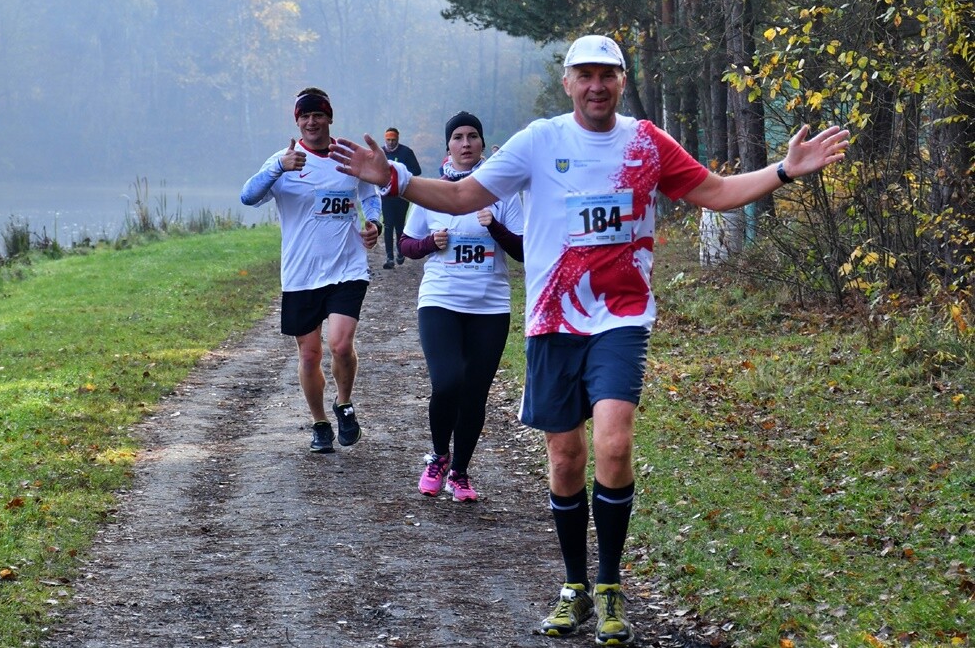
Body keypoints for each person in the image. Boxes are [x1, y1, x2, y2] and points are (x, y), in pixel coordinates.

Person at [332, 35, 850, 645]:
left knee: (613, 441)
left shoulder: (646, 142)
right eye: (585, 75)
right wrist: (393, 178)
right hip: (554, 321)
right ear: (568, 82)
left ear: (622, 82)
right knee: (565, 458)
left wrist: (785, 170)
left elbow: (714, 190)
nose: (597, 85)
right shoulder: (539, 141)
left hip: (620, 317)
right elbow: (462, 196)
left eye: (608, 74)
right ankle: (574, 586)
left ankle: (609, 586)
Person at [240, 87, 382, 455]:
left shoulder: (348, 156)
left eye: (318, 114)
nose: (312, 121)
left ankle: (344, 403)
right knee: (309, 356)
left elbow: (369, 194)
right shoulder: (284, 161)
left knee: (340, 343)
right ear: (297, 121)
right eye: (305, 116)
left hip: (347, 267)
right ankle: (320, 422)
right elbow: (248, 197)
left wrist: (375, 223)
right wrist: (277, 169)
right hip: (301, 273)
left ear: (329, 117)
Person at [399, 111, 524, 503]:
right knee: (448, 381)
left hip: (490, 305)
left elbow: (523, 250)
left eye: (473, 136)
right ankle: (438, 455)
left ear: (483, 144)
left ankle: (461, 472)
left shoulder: (502, 193)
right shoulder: (431, 191)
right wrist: (428, 243)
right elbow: (406, 246)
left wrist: (495, 228)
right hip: (440, 300)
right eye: (459, 137)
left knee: (474, 393)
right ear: (448, 146)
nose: (466, 143)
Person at [380, 128, 422, 269]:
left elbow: (417, 170)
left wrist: (401, 173)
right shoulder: (380, 153)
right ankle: (389, 257)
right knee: (387, 224)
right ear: (385, 139)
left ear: (398, 139)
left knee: (399, 224)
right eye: (388, 140)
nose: (391, 143)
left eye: (393, 140)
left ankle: (400, 252)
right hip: (386, 194)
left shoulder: (406, 152)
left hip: (402, 194)